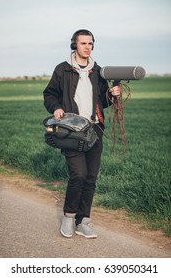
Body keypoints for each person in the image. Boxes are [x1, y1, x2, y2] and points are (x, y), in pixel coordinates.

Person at [43, 29, 121, 239]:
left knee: (91, 177)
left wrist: (113, 95)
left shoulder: (99, 71)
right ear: (74, 45)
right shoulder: (63, 70)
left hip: (95, 129)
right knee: (78, 174)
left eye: (90, 43)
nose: (87, 47)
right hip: (72, 131)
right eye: (83, 43)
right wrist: (56, 107)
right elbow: (49, 94)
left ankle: (83, 221)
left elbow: (102, 101)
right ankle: (69, 217)